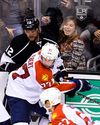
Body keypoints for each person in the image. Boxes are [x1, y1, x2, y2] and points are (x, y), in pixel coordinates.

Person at [5, 42, 91, 125]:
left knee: (56, 114)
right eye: (45, 59)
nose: (46, 62)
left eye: (49, 60)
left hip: (36, 93)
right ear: (41, 56)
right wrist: (77, 84)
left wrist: (62, 73)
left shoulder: (44, 53)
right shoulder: (40, 72)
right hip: (18, 93)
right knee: (20, 123)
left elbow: (59, 63)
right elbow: (55, 88)